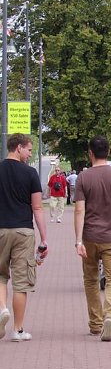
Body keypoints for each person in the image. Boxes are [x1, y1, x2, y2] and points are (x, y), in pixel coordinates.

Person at [74, 136, 111, 342]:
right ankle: (110, 314)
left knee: (90, 280)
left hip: (90, 236)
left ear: (90, 153)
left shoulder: (83, 177)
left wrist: (78, 241)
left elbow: (79, 211)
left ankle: (95, 323)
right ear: (108, 152)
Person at [0, 134, 49, 342]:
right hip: (23, 231)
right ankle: (18, 330)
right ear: (18, 148)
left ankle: (2, 309)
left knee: (1, 275)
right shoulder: (30, 173)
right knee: (21, 283)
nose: (30, 154)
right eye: (29, 150)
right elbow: (37, 207)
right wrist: (44, 238)